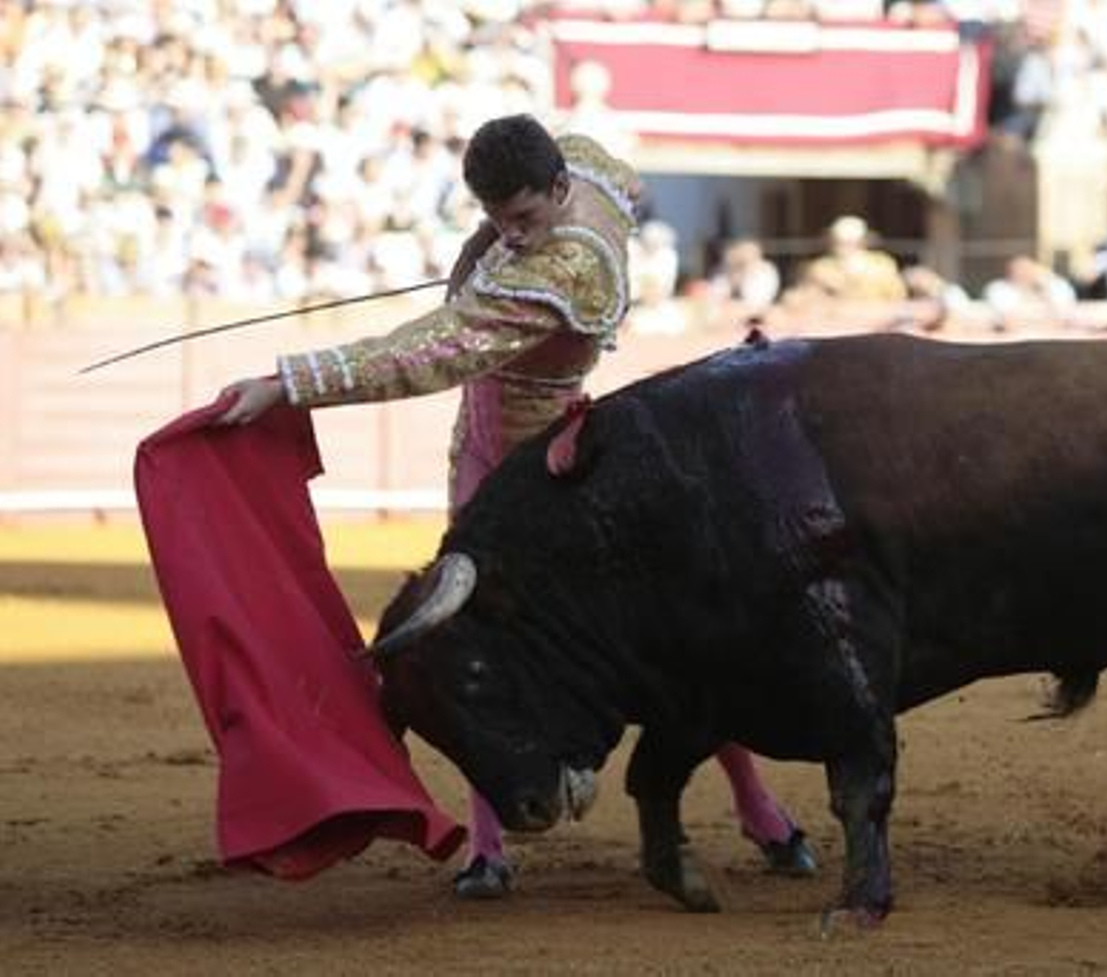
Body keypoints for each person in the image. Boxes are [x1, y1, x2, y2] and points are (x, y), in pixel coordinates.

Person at [213, 113, 815, 900]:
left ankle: (757, 804)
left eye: (525, 217)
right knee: (469, 650)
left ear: (559, 190)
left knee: (672, 643)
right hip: (490, 456)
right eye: (500, 217)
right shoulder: (586, 170)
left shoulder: (560, 271)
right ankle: (488, 845)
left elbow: (426, 352)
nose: (514, 234)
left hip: (550, 472)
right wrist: (487, 239)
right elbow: (617, 171)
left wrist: (290, 382)